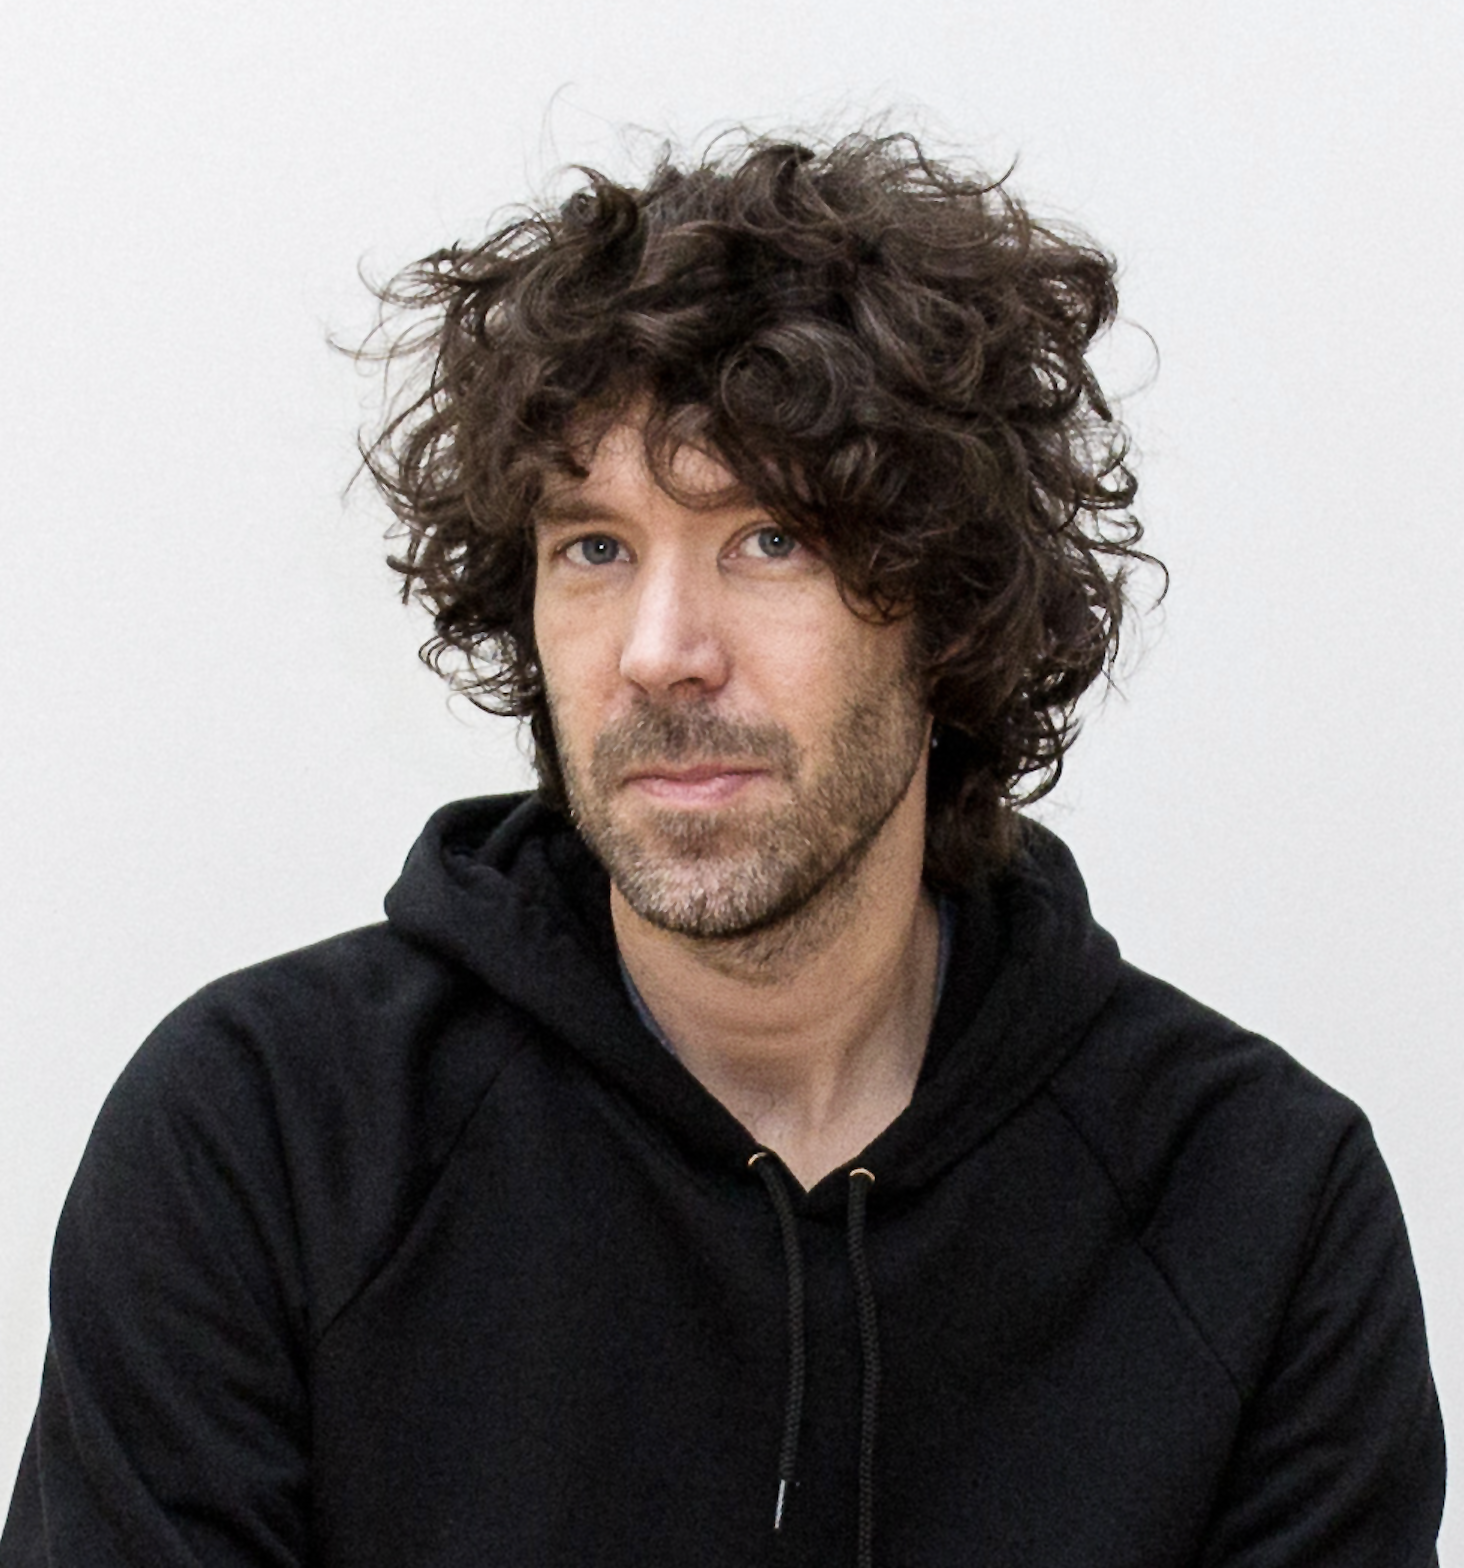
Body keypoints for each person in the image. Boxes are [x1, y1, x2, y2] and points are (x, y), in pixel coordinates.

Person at [1, 129, 1444, 1567]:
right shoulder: (263, 1141)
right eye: (595, 548)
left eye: (768, 541)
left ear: (950, 612)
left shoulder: (1258, 1207)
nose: (660, 655)